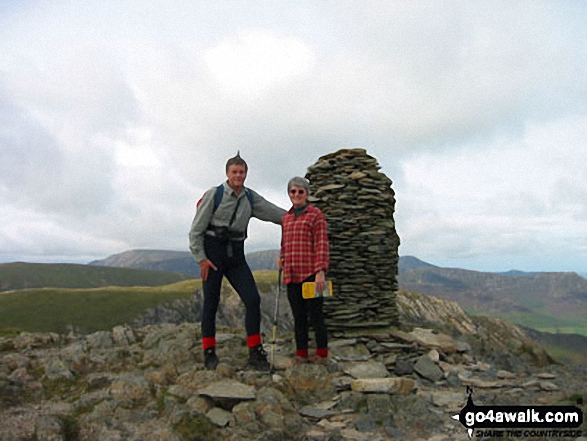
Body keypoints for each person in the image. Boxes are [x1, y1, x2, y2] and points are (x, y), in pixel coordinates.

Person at [189, 152, 285, 370]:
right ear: (227, 173)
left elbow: (273, 212)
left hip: (236, 254)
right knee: (211, 304)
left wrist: (297, 217)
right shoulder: (215, 195)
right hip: (213, 253)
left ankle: (255, 351)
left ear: (246, 174)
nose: (238, 176)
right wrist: (201, 259)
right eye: (234, 172)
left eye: (241, 172)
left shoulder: (250, 197)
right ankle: (209, 352)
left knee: (252, 299)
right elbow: (196, 230)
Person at [279, 177, 330, 364]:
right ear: (289, 194)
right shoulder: (286, 218)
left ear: (307, 193)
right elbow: (285, 243)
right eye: (293, 191)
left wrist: (320, 271)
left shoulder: (316, 215)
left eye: (301, 191)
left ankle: (322, 353)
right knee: (298, 316)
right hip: (292, 275)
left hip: (311, 274)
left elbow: (322, 244)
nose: (297, 195)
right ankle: (301, 353)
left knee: (316, 316)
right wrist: (282, 257)